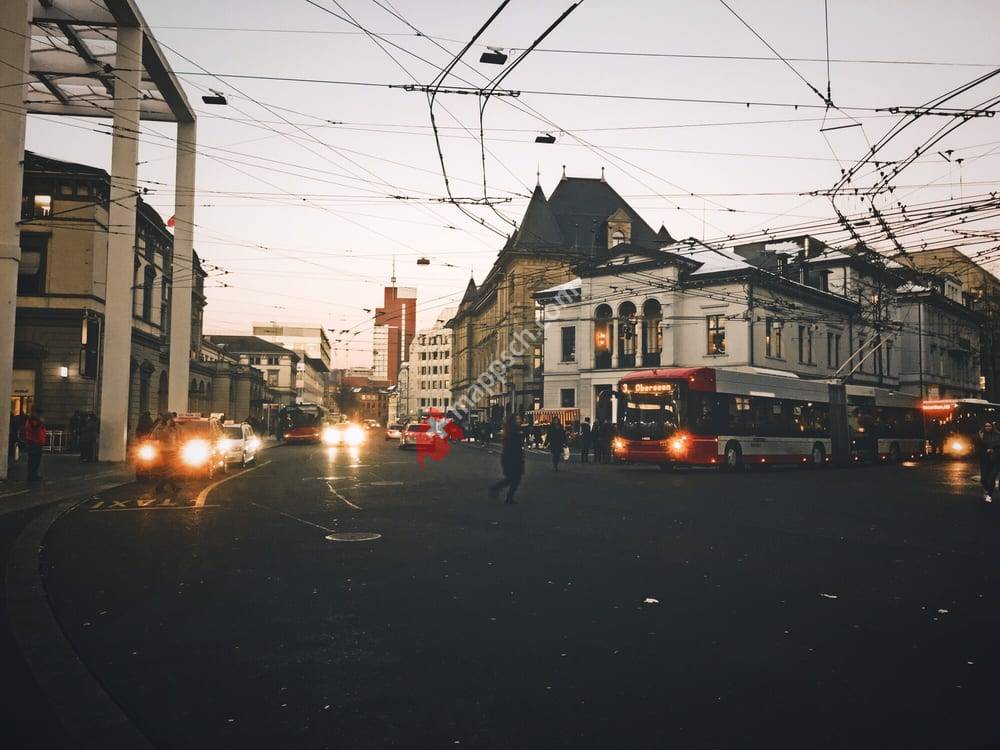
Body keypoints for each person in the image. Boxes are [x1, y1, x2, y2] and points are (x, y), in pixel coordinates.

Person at [489, 414, 525, 504]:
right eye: (517, 419)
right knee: (514, 478)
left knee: (513, 478)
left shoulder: (515, 429)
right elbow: (512, 444)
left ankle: (501, 491)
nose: (519, 420)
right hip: (511, 457)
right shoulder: (513, 430)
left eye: (519, 419)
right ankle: (506, 495)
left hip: (515, 457)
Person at [152, 415, 182, 497]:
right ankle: (171, 487)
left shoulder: (173, 427)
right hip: (164, 452)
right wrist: (167, 428)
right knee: (168, 471)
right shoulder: (160, 428)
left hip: (172, 451)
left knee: (168, 471)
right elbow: (160, 437)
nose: (172, 420)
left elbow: (177, 438)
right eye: (170, 419)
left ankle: (164, 487)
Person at [22, 407, 47, 482]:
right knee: (33, 460)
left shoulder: (36, 420)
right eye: (39, 414)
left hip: (38, 442)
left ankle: (34, 474)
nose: (40, 415)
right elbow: (34, 429)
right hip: (33, 442)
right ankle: (31, 476)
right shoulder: (31, 420)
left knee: (37, 460)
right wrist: (40, 423)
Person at [977, 421, 1000, 503]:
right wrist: (980, 438)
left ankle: (989, 495)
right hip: (984, 459)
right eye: (986, 426)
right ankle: (987, 491)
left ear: (992, 427)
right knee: (983, 479)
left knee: (991, 478)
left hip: (995, 460)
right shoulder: (981, 434)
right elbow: (978, 446)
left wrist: (993, 450)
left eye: (989, 426)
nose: (988, 427)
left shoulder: (997, 435)